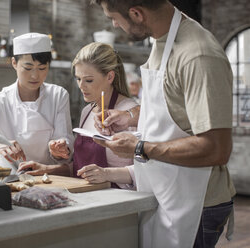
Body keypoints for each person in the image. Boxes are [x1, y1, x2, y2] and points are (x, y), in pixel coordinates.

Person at [91, 0, 236, 248]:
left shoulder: (197, 55)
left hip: (195, 203)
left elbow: (217, 148)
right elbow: (175, 106)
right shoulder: (162, 39)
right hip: (167, 194)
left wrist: (140, 148)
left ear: (137, 14)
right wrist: (130, 116)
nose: (114, 24)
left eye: (113, 17)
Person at [18, 42, 139, 189]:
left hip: (119, 203)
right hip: (87, 198)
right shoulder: (87, 112)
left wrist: (106, 174)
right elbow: (79, 168)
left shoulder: (130, 113)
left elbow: (146, 172)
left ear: (110, 77)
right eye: (78, 79)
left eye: (88, 80)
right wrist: (46, 169)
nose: (81, 86)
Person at [0, 33, 74, 172]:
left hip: (50, 179)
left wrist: (60, 150)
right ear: (14, 63)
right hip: (11, 181)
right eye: (28, 68)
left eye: (42, 68)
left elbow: (65, 142)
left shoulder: (58, 95)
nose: (35, 75)